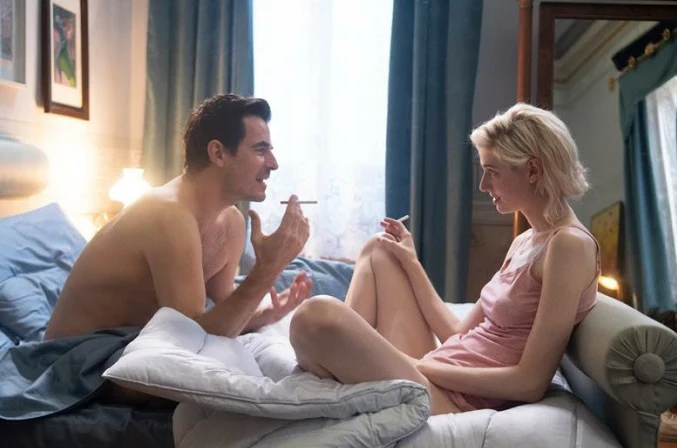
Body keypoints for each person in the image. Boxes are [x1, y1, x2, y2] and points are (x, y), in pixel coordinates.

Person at [289, 103, 600, 415]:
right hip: (440, 371)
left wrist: (418, 366)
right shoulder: (525, 241)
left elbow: (529, 384)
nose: (483, 185)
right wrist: (411, 261)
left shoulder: (569, 246)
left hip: (455, 399)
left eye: (492, 172)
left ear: (533, 170)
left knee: (315, 316)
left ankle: (346, 370)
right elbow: (457, 332)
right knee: (379, 249)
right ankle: (349, 368)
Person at [45, 93, 313, 343]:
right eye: (260, 150)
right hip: (74, 356)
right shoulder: (168, 214)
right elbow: (192, 339)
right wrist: (268, 267)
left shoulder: (232, 222)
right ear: (218, 153)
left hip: (134, 347)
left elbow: (225, 315)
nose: (273, 163)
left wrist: (268, 313)